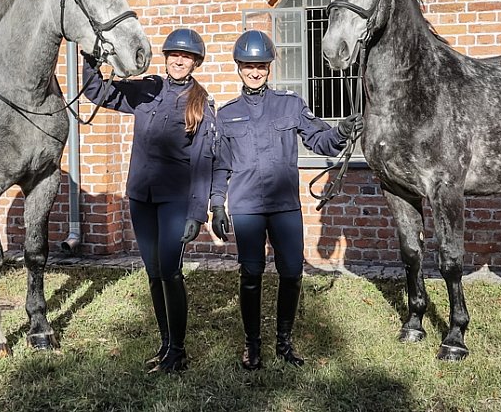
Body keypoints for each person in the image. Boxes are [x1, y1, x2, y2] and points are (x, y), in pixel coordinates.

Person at [209, 30, 363, 370]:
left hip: (284, 207)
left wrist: (341, 131)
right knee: (251, 275)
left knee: (292, 273)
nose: (255, 71)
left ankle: (284, 341)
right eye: (249, 65)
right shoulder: (226, 114)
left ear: (269, 67)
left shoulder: (290, 105)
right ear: (238, 67)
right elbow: (220, 164)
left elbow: (320, 139)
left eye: (261, 65)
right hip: (246, 207)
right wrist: (217, 203)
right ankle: (252, 345)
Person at [82, 28, 215, 373]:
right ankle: (165, 344)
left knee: (171, 272)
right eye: (174, 55)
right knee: (154, 273)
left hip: (175, 201)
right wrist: (90, 60)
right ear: (166, 58)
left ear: (195, 63)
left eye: (186, 57)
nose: (178, 61)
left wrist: (197, 214)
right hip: (141, 196)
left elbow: (203, 162)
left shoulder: (201, 104)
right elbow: (98, 93)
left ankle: (179, 351)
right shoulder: (148, 89)